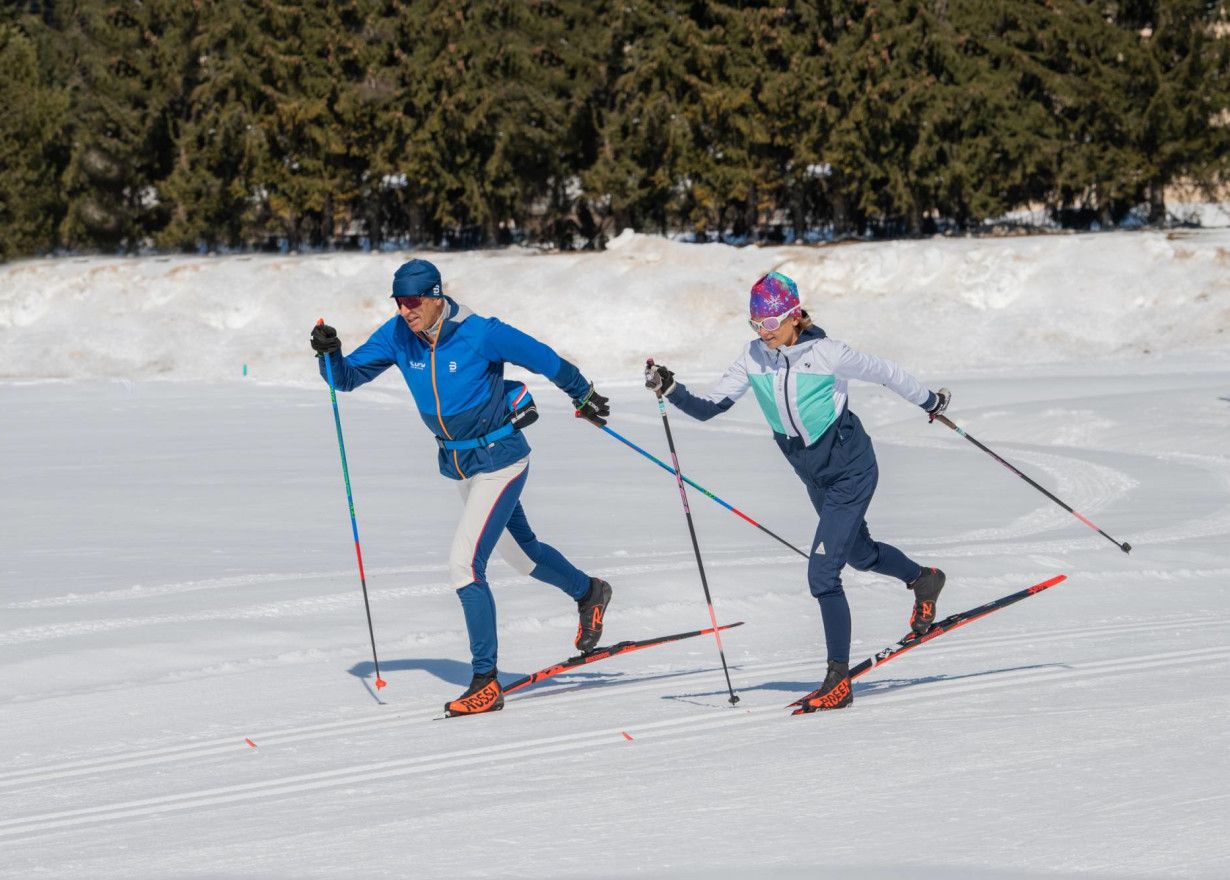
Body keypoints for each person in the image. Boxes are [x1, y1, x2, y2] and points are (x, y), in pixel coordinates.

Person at [311, 258, 613, 717]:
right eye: (398, 302)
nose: (405, 311)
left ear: (436, 297)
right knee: (523, 556)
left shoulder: (480, 332)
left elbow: (545, 358)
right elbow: (345, 379)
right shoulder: (397, 335)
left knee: (465, 566)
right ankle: (589, 592)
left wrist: (582, 393)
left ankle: (485, 681)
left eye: (413, 302)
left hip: (502, 461)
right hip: (463, 466)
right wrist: (329, 354)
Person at [644, 271, 950, 712]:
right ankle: (924, 580)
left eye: (768, 323)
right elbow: (711, 409)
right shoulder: (754, 357)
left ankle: (837, 680)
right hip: (814, 475)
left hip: (851, 470)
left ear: (793, 316)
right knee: (859, 555)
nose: (761, 332)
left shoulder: (827, 353)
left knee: (823, 575)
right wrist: (671, 389)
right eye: (754, 323)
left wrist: (929, 402)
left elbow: (887, 372)